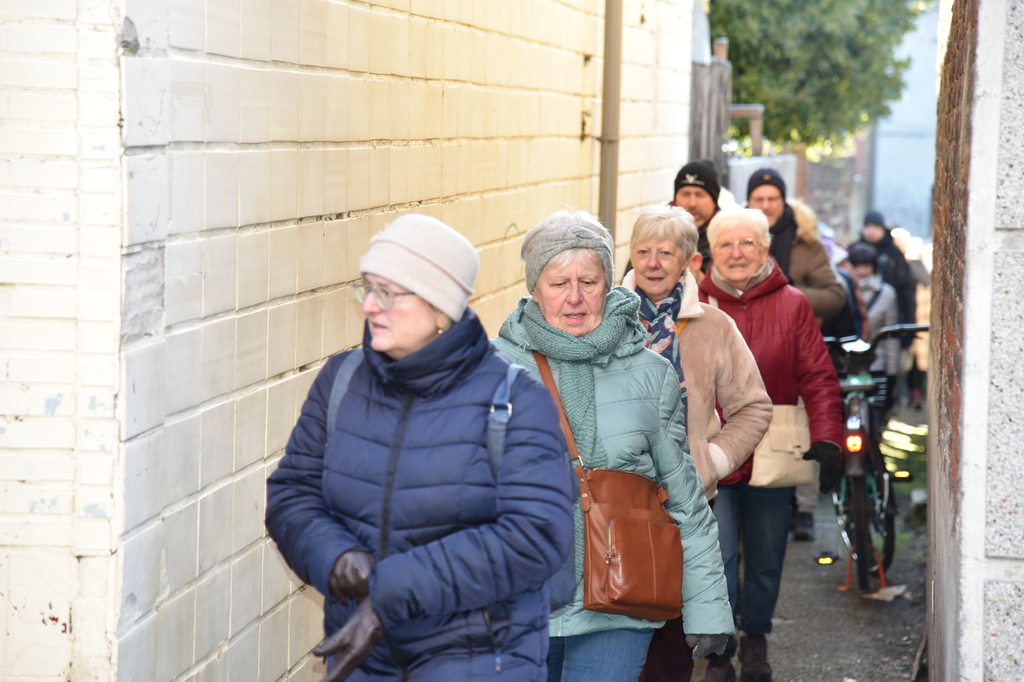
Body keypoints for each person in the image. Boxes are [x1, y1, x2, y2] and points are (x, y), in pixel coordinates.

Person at [265, 214, 576, 681]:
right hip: (361, 654)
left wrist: (390, 591)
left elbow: (536, 535)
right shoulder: (340, 382)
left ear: (441, 309)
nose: (370, 306)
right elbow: (292, 492)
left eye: (389, 293)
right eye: (366, 288)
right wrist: (333, 556)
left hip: (478, 658)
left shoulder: (514, 401)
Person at [490, 209, 734, 682]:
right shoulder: (491, 370)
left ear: (609, 282)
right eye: (559, 282)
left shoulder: (651, 372)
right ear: (534, 288)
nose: (575, 298)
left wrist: (708, 609)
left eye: (590, 280)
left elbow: (683, 498)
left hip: (619, 604)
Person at [621, 206, 773, 682]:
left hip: (685, 505)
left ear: (688, 260)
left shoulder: (713, 326)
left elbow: (754, 407)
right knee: (616, 622)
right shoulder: (602, 320)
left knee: (672, 633)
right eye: (643, 251)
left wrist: (713, 460)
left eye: (666, 253)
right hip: (614, 500)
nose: (652, 263)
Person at [697, 208, 843, 682]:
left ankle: (755, 639)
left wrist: (827, 438)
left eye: (747, 244)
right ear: (711, 252)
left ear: (764, 249)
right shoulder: (694, 303)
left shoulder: (794, 303)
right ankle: (720, 651)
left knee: (765, 555)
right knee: (715, 555)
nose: (736, 254)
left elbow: (818, 376)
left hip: (772, 454)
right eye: (726, 244)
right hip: (711, 453)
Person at [745, 169, 846, 321]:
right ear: (748, 202)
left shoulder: (806, 241)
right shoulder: (732, 238)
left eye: (772, 199)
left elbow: (835, 297)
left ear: (783, 200)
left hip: (795, 333)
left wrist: (786, 295)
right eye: (759, 199)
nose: (765, 206)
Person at [847, 242, 900, 414]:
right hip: (847, 365)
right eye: (857, 266)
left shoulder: (886, 293)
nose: (862, 271)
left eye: (866, 266)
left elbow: (891, 336)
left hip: (877, 365)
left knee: (875, 415)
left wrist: (892, 372)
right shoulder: (842, 290)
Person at [854, 211, 916, 329]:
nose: (871, 231)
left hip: (891, 316)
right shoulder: (854, 250)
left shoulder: (894, 254)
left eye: (875, 227)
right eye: (868, 227)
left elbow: (906, 289)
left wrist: (909, 324)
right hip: (859, 315)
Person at [670, 160, 723, 278]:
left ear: (714, 201)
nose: (692, 203)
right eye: (686, 194)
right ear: (675, 200)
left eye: (699, 195)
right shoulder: (655, 232)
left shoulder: (729, 236)